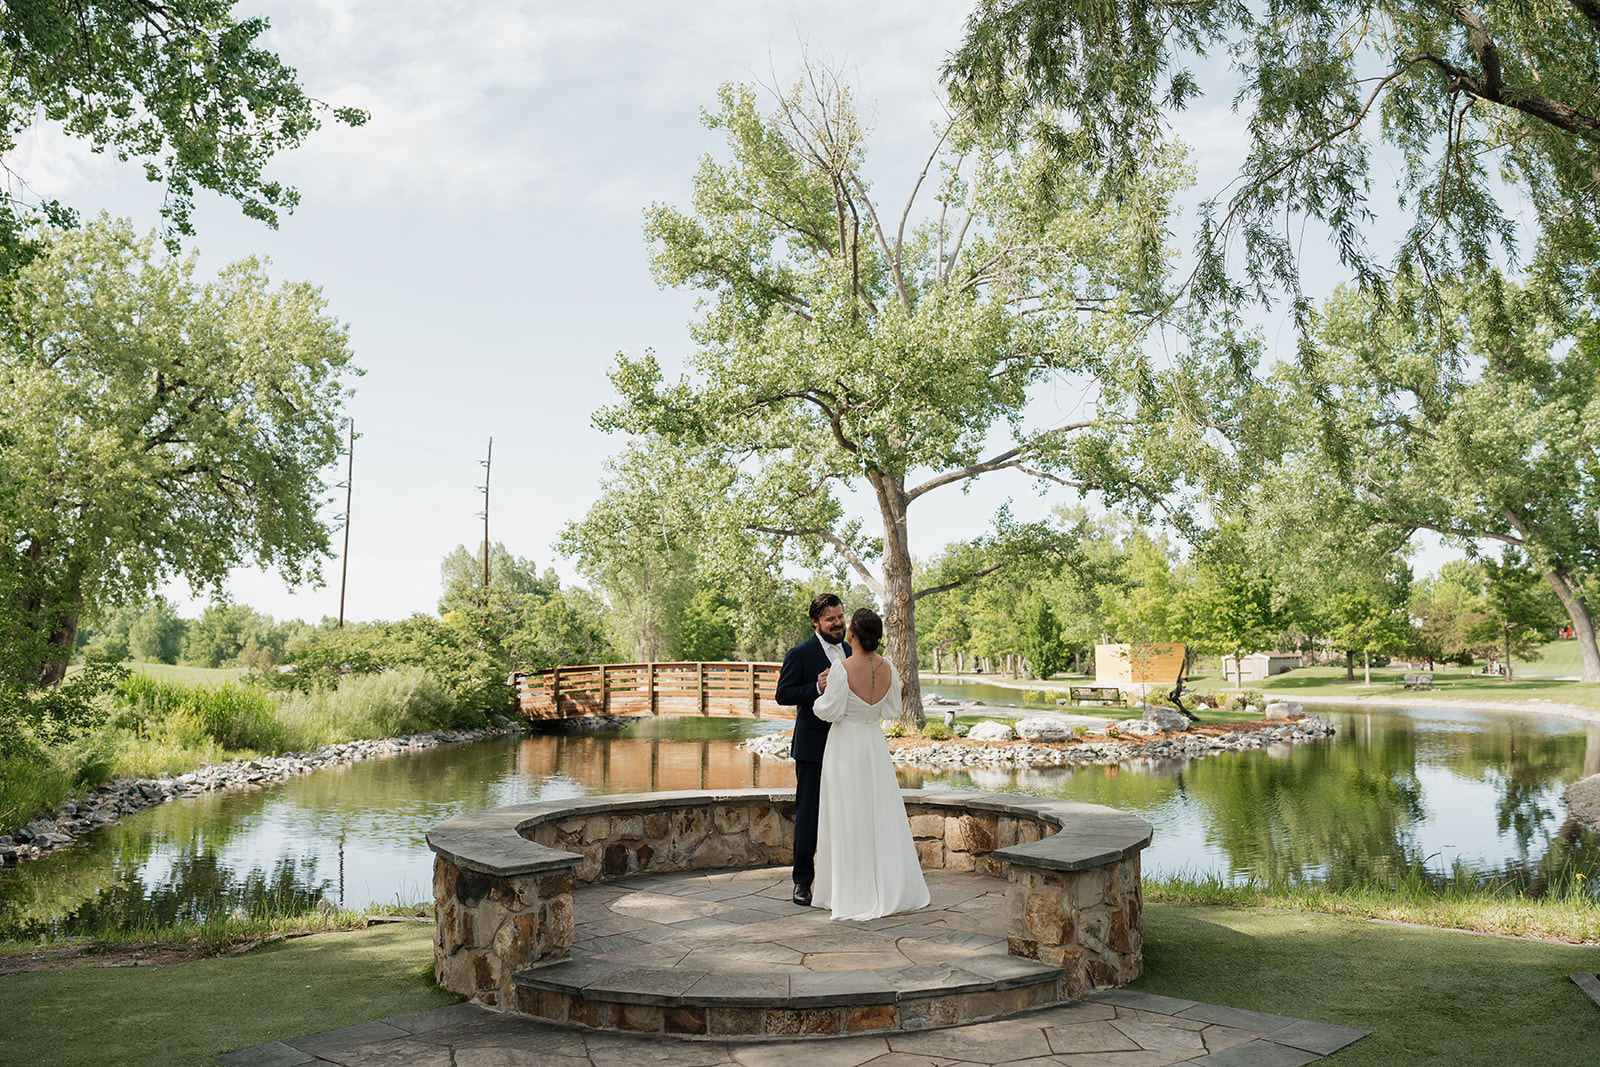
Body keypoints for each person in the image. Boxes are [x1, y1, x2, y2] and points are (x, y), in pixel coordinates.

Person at [810, 607, 930, 921]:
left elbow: (828, 711)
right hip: (874, 745)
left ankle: (848, 892)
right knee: (878, 813)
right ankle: (885, 886)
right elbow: (891, 710)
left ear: (853, 634)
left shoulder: (841, 668)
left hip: (845, 746)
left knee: (847, 816)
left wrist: (820, 694)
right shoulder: (888, 666)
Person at [774, 592, 848, 906]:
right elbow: (783, 694)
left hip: (846, 745)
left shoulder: (850, 650)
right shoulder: (800, 653)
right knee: (808, 816)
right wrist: (816, 687)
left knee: (845, 814)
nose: (838, 623)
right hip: (812, 747)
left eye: (840, 617)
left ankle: (841, 880)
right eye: (831, 619)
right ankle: (802, 882)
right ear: (815, 622)